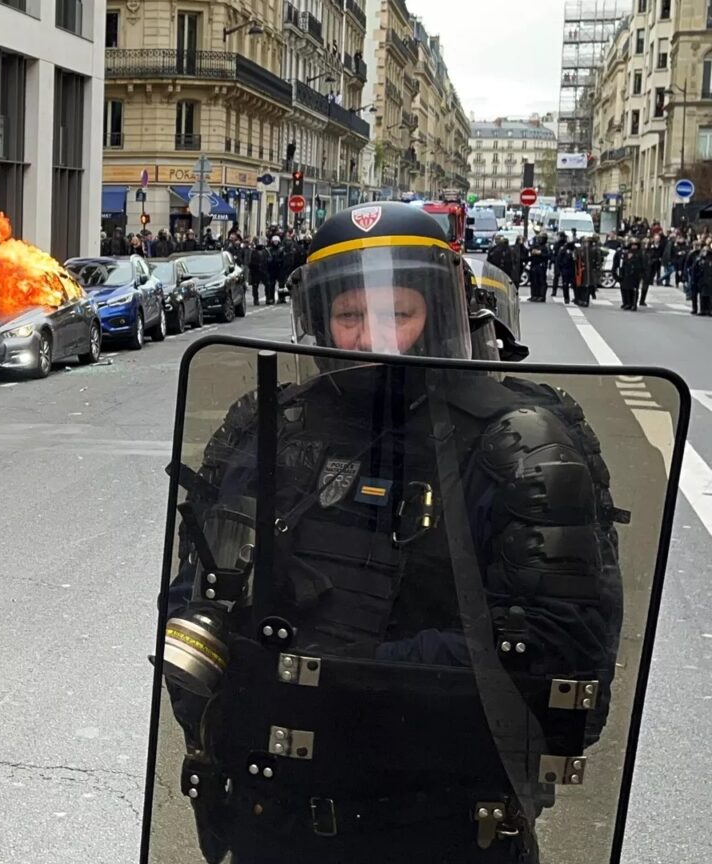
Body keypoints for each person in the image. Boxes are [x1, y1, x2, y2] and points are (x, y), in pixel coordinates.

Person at [161, 202, 622, 863]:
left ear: (440, 311)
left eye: (397, 313)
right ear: (320, 320)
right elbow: (196, 591)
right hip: (272, 820)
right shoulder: (269, 426)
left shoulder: (519, 446)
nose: (371, 336)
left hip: (442, 831)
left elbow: (560, 664)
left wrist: (328, 676)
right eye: (350, 316)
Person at [264, 235, 288, 305]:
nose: (275, 242)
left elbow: (284, 259)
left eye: (276, 241)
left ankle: (281, 298)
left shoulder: (281, 250)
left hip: (280, 269)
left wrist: (279, 260)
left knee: (281, 284)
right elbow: (266, 259)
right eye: (274, 241)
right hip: (272, 269)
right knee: (271, 285)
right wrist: (269, 261)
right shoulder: (269, 250)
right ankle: (271, 298)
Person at [553, 237, 577, 305]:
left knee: (574, 284)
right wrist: (558, 269)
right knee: (565, 284)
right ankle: (566, 298)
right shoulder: (563, 249)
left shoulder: (575, 249)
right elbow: (559, 259)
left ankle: (576, 297)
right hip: (565, 268)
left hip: (573, 269)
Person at [249, 237, 269, 306]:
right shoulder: (253, 252)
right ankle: (256, 299)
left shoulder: (266, 251)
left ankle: (268, 298)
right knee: (255, 286)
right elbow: (250, 262)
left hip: (264, 271)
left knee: (267, 285)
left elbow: (269, 260)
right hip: (256, 272)